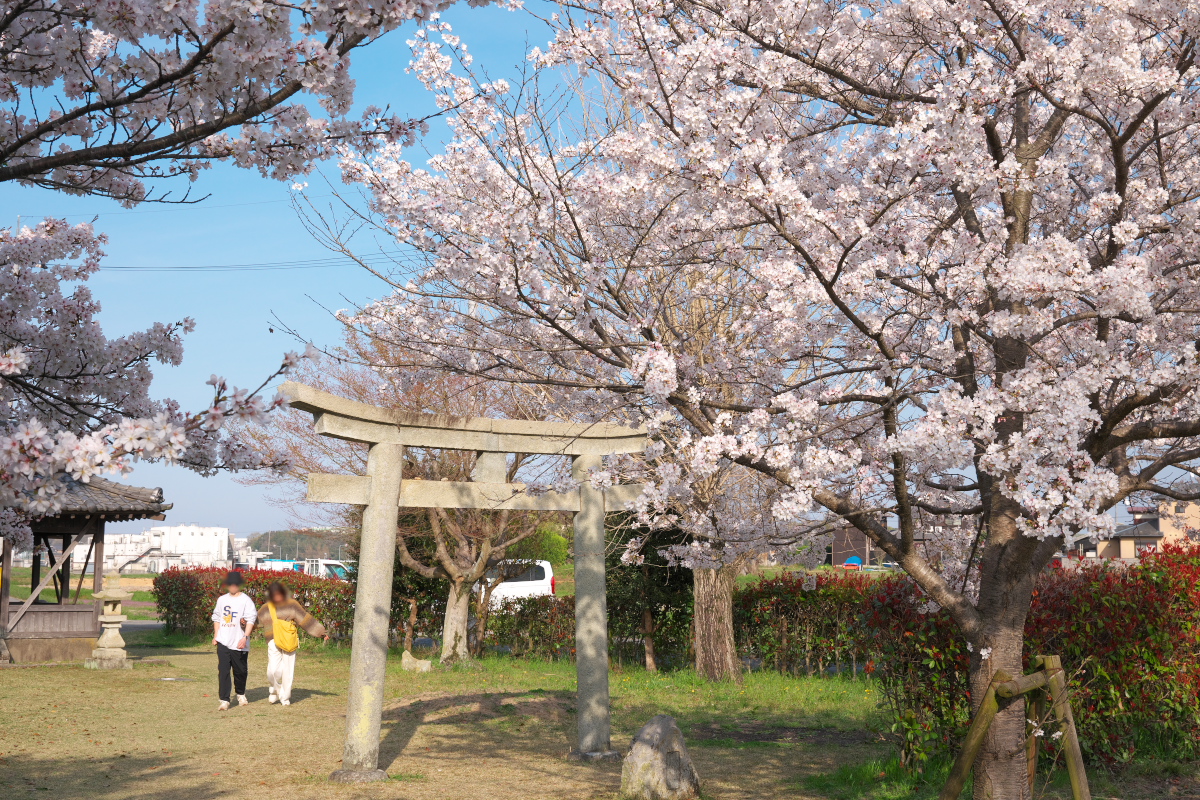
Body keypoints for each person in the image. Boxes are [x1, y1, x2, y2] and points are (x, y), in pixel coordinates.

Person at [257, 581, 329, 706]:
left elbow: (305, 619)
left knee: (288, 670)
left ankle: (285, 698)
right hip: (273, 640)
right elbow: (254, 622)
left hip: (289, 639)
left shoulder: (292, 605)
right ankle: (275, 689)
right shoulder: (266, 607)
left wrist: (321, 632)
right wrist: (242, 624)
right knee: (272, 671)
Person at [211, 571, 257, 711]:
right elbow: (217, 618)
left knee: (240, 671)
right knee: (223, 670)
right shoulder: (222, 600)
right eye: (230, 583)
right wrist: (216, 635)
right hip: (223, 641)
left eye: (235, 584)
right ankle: (224, 700)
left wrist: (245, 637)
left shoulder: (245, 600)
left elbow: (251, 619)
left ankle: (241, 694)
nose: (232, 586)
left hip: (239, 642)